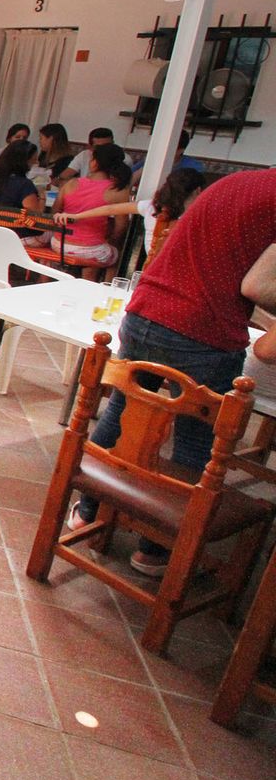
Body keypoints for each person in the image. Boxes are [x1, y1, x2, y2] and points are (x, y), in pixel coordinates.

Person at [69, 168, 276, 574]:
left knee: (121, 411)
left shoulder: (243, 181)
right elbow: (255, 286)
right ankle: (154, 548)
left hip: (147, 310)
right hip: (202, 331)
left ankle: (87, 511)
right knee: (197, 441)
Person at [55, 165, 206, 256]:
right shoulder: (197, 218)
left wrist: (77, 215)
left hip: (152, 264)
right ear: (198, 190)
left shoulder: (152, 207)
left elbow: (110, 209)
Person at [30, 149, 132, 270]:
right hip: (92, 250)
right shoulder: (118, 190)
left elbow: (54, 213)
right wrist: (110, 241)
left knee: (98, 248)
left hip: (59, 244)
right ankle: (105, 284)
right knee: (114, 253)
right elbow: (121, 227)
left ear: (95, 163)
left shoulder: (71, 183)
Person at [0, 138, 42, 216]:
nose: (36, 162)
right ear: (24, 162)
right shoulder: (24, 185)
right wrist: (42, 198)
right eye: (33, 160)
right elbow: (36, 215)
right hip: (13, 226)